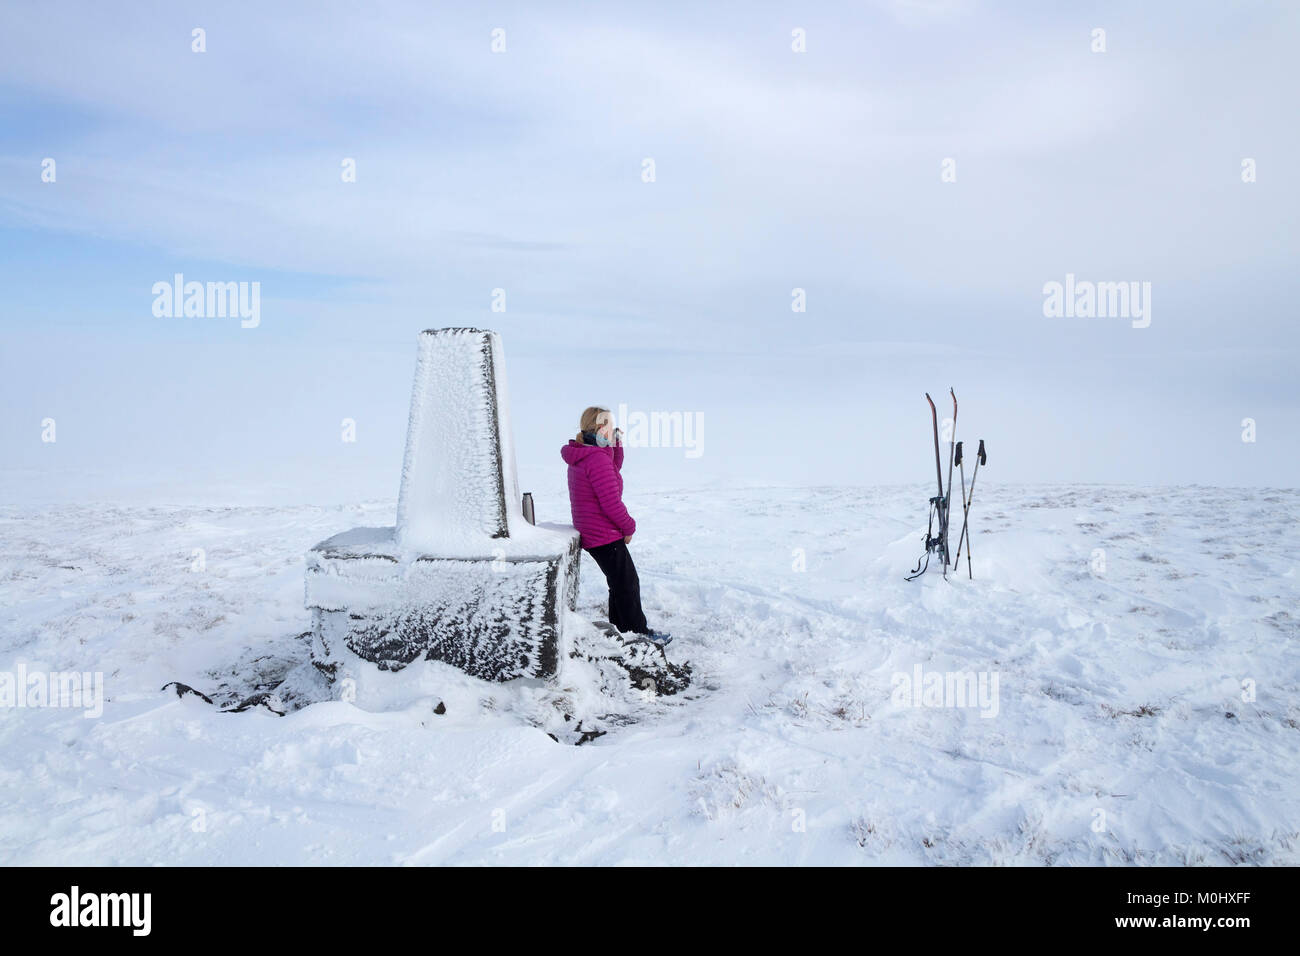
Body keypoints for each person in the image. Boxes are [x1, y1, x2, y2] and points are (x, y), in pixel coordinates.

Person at [561, 406, 672, 646]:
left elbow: (613, 469)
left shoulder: (585, 454)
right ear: (600, 428)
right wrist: (629, 527)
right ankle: (637, 634)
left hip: (592, 530)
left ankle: (620, 631)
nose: (613, 430)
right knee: (628, 584)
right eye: (610, 426)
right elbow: (610, 502)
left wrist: (617, 444)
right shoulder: (597, 459)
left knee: (619, 583)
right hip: (603, 533)